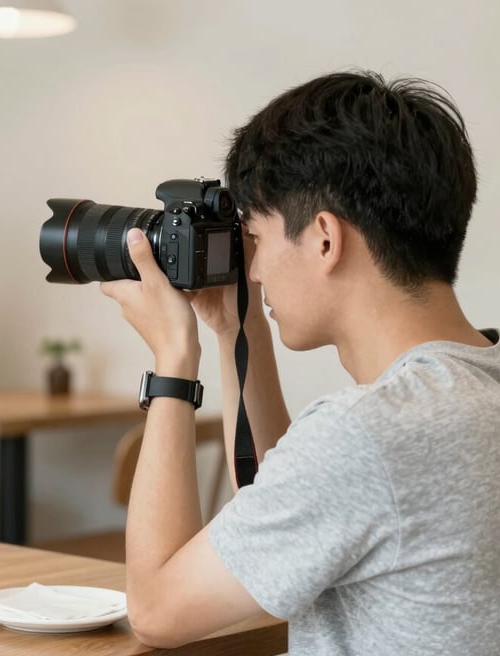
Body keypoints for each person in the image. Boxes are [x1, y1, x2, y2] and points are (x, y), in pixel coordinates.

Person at [100, 71, 499, 654]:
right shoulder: (467, 393)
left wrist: (172, 359)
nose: (253, 270)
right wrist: (238, 329)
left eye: (257, 239)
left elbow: (158, 611)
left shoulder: (367, 434)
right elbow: (281, 500)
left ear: (324, 240)